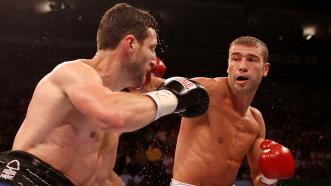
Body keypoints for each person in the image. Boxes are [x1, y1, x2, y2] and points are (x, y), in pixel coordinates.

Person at [0, 3, 209, 186]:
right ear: (130, 44)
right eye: (152, 48)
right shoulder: (73, 72)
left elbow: (102, 179)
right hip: (23, 177)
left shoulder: (110, 109)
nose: (155, 61)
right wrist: (173, 97)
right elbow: (111, 114)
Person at [171, 36, 295, 186]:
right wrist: (144, 80)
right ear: (228, 65)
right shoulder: (207, 90)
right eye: (236, 59)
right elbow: (163, 88)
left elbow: (258, 180)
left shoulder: (256, 120)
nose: (242, 66)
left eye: (252, 59)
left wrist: (270, 177)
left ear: (265, 69)